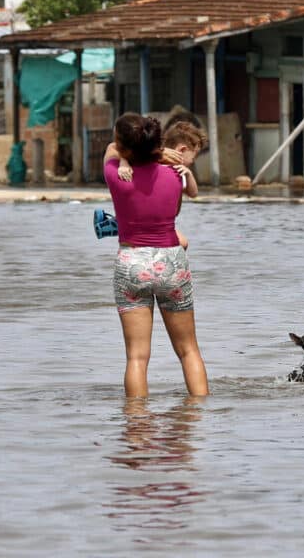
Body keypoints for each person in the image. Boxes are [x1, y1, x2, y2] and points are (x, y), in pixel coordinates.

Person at [104, 113, 208, 397]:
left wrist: (136, 154)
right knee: (189, 351)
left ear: (126, 148)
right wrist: (162, 154)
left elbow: (110, 151)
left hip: (132, 263)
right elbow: (173, 213)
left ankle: (137, 426)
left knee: (137, 358)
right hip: (171, 262)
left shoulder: (116, 175)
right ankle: (199, 417)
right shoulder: (175, 176)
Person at [115, 120, 207, 249]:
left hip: (161, 221)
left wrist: (189, 174)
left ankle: (117, 223)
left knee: (183, 243)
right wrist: (123, 163)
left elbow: (193, 193)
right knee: (182, 242)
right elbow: (126, 153)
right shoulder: (154, 164)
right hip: (145, 218)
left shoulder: (180, 171)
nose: (193, 161)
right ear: (182, 149)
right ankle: (118, 223)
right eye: (193, 156)